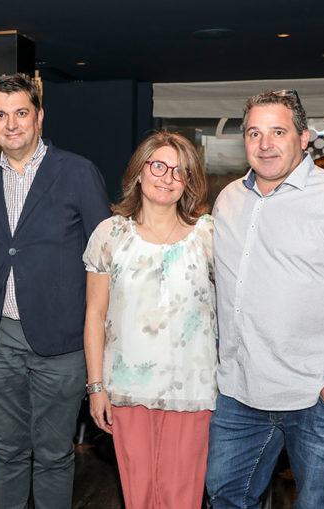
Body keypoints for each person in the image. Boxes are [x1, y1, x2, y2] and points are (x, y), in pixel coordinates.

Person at [206, 90, 324, 508]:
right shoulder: (228, 199)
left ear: (304, 137)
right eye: (254, 133)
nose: (265, 144)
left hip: (315, 396)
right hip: (238, 391)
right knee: (226, 497)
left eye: (278, 132)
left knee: (317, 504)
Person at [0, 73, 111, 508]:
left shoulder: (78, 172)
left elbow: (105, 260)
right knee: (5, 451)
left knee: (53, 455)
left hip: (61, 343)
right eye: (0, 115)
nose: (11, 124)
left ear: (39, 116)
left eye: (20, 113)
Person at [83, 131, 217, 508]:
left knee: (182, 498)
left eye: (179, 170)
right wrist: (96, 387)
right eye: (158, 166)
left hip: (192, 389)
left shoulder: (209, 235)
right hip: (128, 389)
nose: (167, 177)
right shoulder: (110, 234)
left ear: (189, 180)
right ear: (139, 172)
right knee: (138, 496)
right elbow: (94, 315)